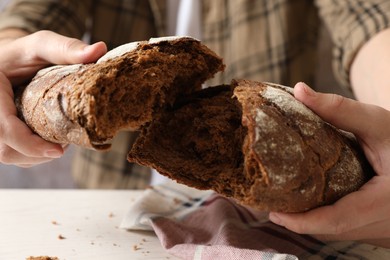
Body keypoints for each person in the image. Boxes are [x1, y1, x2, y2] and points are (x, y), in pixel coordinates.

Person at [0, 0, 389, 247]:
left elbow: (371, 23)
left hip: (263, 220)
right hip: (111, 219)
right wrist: (6, 58)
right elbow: (32, 16)